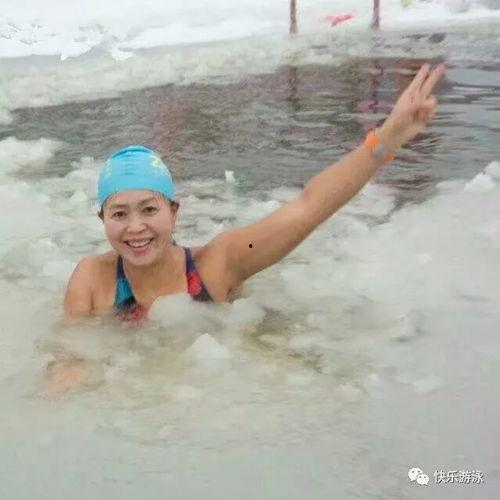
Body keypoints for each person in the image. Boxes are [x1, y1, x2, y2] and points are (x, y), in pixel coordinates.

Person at [52, 64, 444, 394]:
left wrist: (385, 139)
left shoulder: (216, 266)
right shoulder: (93, 280)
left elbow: (307, 208)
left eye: (149, 209)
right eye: (119, 214)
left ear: (174, 212)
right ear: (102, 220)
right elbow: (69, 350)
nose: (135, 227)